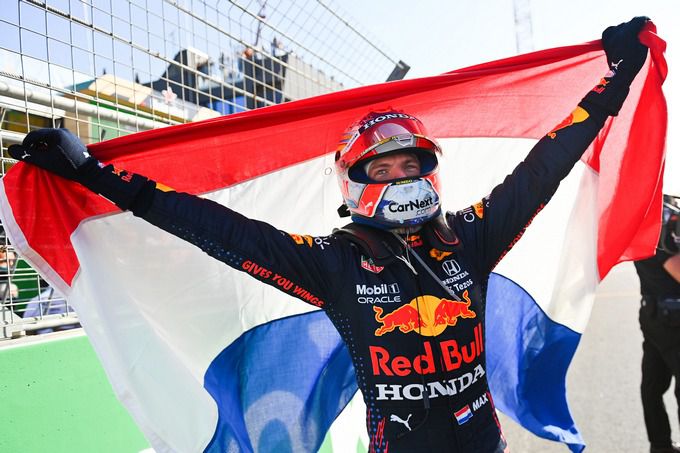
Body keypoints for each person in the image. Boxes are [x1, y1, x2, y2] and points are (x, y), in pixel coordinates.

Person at [6, 17, 650, 453]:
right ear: (353, 183)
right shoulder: (336, 262)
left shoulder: (470, 236)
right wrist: (98, 177)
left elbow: (546, 164)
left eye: (411, 165)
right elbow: (220, 230)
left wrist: (616, 77)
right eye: (382, 169)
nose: (401, 177)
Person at [634, 195, 680, 453]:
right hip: (670, 318)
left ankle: (660, 446)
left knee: (652, 386)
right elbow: (676, 267)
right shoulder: (660, 216)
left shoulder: (646, 211)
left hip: (654, 315)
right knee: (653, 387)